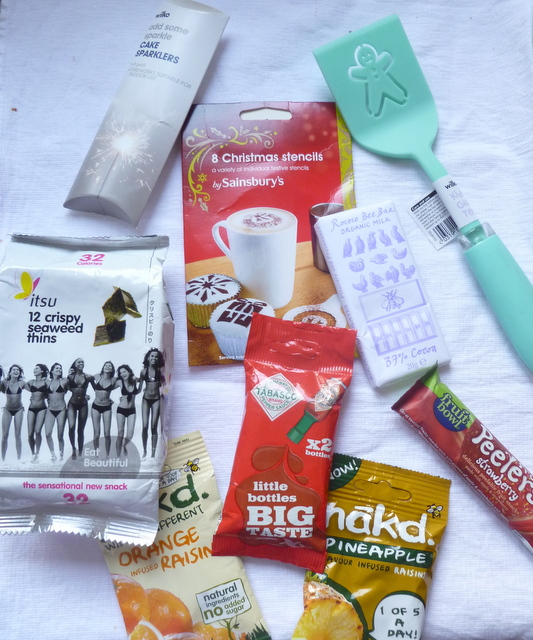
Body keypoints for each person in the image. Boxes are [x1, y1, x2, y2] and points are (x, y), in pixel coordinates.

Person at [139, 348, 165, 459]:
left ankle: (153, 453)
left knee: (154, 426)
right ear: (148, 358)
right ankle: (145, 450)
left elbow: (164, 384)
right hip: (145, 400)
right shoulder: (143, 372)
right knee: (145, 426)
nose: (154, 358)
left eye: (156, 356)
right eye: (152, 356)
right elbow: (139, 389)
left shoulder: (160, 371)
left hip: (156, 400)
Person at [67, 358, 94, 460]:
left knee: (80, 429)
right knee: (71, 427)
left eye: (83, 362)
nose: (81, 363)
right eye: (79, 362)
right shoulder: (70, 376)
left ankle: (80, 451)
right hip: (72, 403)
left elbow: (97, 388)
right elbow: (66, 388)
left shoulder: (88, 377)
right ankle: (73, 448)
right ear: (75, 364)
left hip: (83, 404)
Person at [90, 361, 117, 457]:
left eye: (110, 366)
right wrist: (84, 395)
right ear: (103, 367)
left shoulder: (113, 380)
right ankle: (96, 454)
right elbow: (86, 379)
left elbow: (125, 382)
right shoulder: (97, 376)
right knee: (96, 433)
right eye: (106, 365)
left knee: (107, 434)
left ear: (112, 369)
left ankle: (107, 455)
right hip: (95, 406)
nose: (107, 367)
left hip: (107, 407)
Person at [24, 364, 50, 463]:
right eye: (34, 368)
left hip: (42, 408)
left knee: (38, 431)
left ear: (42, 371)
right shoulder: (31, 382)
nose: (34, 370)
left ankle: (37, 454)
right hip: (31, 408)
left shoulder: (46, 382)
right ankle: (32, 453)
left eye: (37, 368)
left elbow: (52, 389)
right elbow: (23, 386)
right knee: (30, 434)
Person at [1, 364, 25, 462]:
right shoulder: (5, 382)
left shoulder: (22, 383)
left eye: (18, 370)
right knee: (4, 435)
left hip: (19, 409)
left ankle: (19, 459)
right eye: (14, 370)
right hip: (7, 409)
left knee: (18, 435)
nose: (16, 371)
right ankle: (3, 460)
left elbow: (34, 388)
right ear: (10, 372)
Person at [45, 363, 69, 461]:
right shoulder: (47, 382)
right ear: (52, 371)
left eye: (60, 368)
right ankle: (53, 455)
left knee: (60, 435)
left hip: (61, 409)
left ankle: (61, 456)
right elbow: (42, 393)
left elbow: (75, 389)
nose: (59, 369)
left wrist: (85, 396)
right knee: (48, 434)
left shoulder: (64, 381)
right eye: (57, 368)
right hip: (50, 410)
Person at [114, 364, 140, 457]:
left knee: (130, 434)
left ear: (129, 372)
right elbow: (107, 388)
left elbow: (141, 381)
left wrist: (139, 381)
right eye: (120, 373)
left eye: (124, 371)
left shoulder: (134, 380)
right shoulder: (119, 382)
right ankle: (118, 457)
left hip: (132, 410)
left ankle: (124, 445)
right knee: (120, 433)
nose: (122, 374)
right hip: (121, 410)